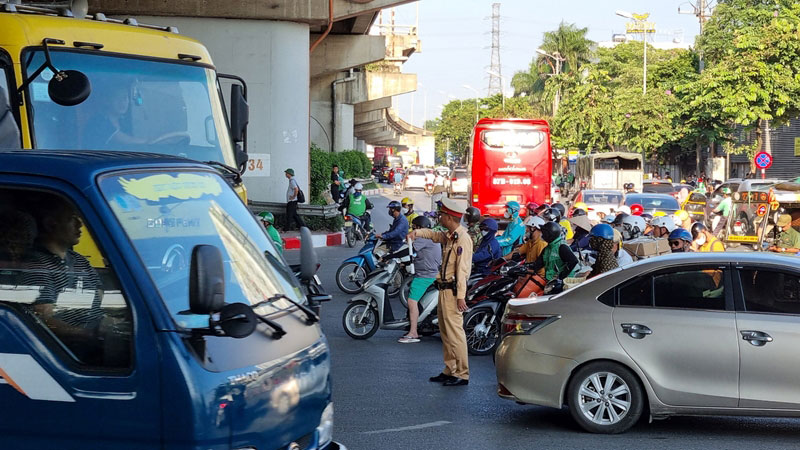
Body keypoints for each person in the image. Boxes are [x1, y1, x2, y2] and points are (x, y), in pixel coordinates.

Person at [408, 197, 473, 386]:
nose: (440, 217)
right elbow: (434, 235)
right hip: (443, 289)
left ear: (450, 218)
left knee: (455, 334)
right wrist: (417, 233)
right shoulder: (450, 235)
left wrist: (461, 296)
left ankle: (461, 373)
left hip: (453, 293)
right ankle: (449, 369)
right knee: (445, 333)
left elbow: (462, 270)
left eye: (443, 215)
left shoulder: (463, 239)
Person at [23, 197, 102, 332]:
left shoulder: (81, 261)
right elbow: (46, 320)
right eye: (71, 218)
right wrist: (90, 336)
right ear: (50, 224)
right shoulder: (36, 264)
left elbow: (100, 299)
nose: (79, 224)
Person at [398, 216, 441, 344]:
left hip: (425, 275)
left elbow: (408, 250)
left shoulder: (424, 238)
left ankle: (413, 332)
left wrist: (390, 256)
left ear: (418, 228)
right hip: (431, 273)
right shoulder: (432, 236)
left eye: (414, 228)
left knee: (412, 302)